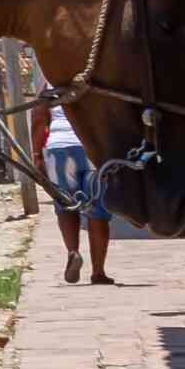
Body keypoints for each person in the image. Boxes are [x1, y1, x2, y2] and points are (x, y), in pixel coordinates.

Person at [29, 99, 115, 285]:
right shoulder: (98, 72)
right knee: (98, 210)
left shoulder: (53, 79)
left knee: (65, 206)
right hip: (93, 148)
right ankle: (98, 272)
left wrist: (37, 155)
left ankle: (73, 252)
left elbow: (39, 116)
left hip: (59, 148)